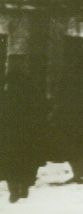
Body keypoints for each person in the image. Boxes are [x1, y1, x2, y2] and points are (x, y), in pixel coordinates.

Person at [0, 59, 49, 203]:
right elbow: (41, 113)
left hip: (10, 136)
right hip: (28, 136)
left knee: (10, 164)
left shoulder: (5, 96)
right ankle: (25, 186)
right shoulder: (32, 96)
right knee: (28, 162)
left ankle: (14, 190)